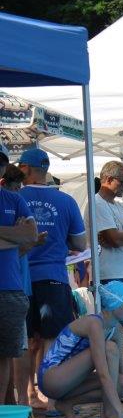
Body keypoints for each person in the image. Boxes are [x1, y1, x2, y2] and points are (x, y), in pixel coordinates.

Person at [18, 148, 87, 413]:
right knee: (52, 339)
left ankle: (26, 397)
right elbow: (80, 243)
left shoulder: (13, 197)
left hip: (20, 278)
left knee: (24, 341)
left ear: (25, 168)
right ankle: (50, 397)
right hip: (53, 277)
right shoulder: (66, 201)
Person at [37, 281, 123, 418]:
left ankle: (67, 403)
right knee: (110, 349)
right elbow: (103, 374)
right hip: (52, 379)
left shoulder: (116, 329)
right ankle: (109, 416)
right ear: (114, 304)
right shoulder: (94, 323)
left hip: (71, 381)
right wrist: (121, 414)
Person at [0, 144, 38, 404]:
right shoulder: (15, 202)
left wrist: (18, 236)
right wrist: (13, 236)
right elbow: (22, 237)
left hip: (10, 289)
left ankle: (4, 411)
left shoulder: (14, 199)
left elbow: (30, 235)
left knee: (5, 355)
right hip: (11, 288)